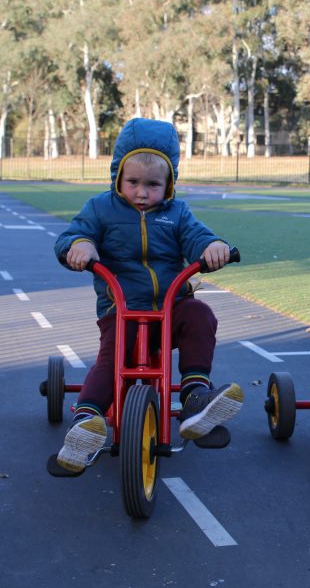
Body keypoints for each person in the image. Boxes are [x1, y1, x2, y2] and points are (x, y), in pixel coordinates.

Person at [54, 117, 244, 473]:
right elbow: (72, 235)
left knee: (201, 315)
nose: (142, 192)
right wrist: (80, 246)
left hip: (171, 308)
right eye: (133, 182)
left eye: (153, 184)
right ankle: (87, 420)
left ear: (169, 183)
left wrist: (214, 246)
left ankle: (194, 397)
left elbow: (197, 237)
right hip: (121, 309)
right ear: (118, 177)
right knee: (112, 358)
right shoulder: (100, 208)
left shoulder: (177, 213)